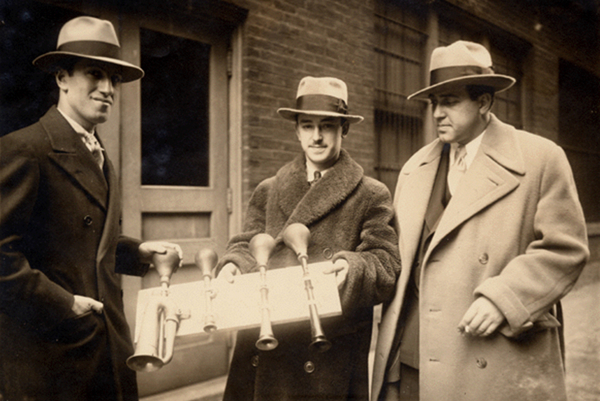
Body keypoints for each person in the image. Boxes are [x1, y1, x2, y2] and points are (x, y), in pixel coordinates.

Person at [371, 40, 590, 401]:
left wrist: (504, 298)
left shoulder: (539, 159)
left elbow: (565, 249)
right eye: (434, 103)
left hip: (491, 357)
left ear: (484, 102)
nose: (438, 113)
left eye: (451, 101)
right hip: (417, 360)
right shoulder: (415, 168)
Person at [0, 16, 182, 401]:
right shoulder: (25, 148)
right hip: (53, 356)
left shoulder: (96, 153)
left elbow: (81, 245)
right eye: (94, 74)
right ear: (61, 77)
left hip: (106, 349)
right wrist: (64, 304)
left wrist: (138, 252)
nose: (107, 89)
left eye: (114, 79)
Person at [215, 76, 401, 400]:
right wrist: (233, 265)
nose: (316, 136)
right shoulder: (269, 189)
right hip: (267, 339)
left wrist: (352, 268)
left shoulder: (371, 194)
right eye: (307, 125)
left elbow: (385, 264)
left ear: (344, 129)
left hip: (328, 349)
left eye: (327, 126)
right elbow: (246, 243)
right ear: (296, 130)